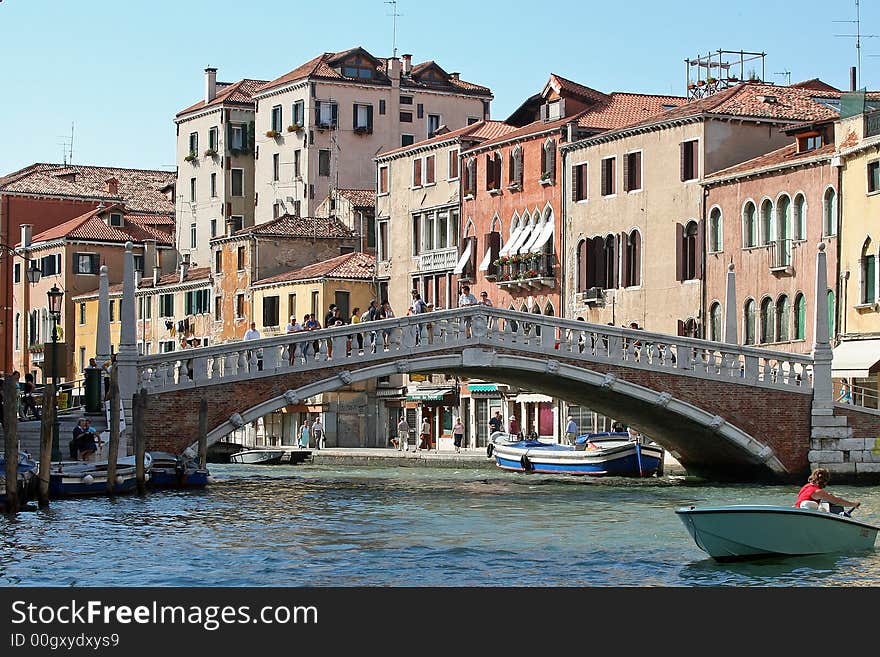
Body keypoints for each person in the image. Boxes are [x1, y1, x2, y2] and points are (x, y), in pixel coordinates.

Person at [794, 467, 860, 513]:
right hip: (805, 515)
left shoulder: (806, 486)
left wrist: (828, 496)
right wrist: (854, 504)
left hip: (797, 511)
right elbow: (837, 501)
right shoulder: (819, 492)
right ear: (825, 481)